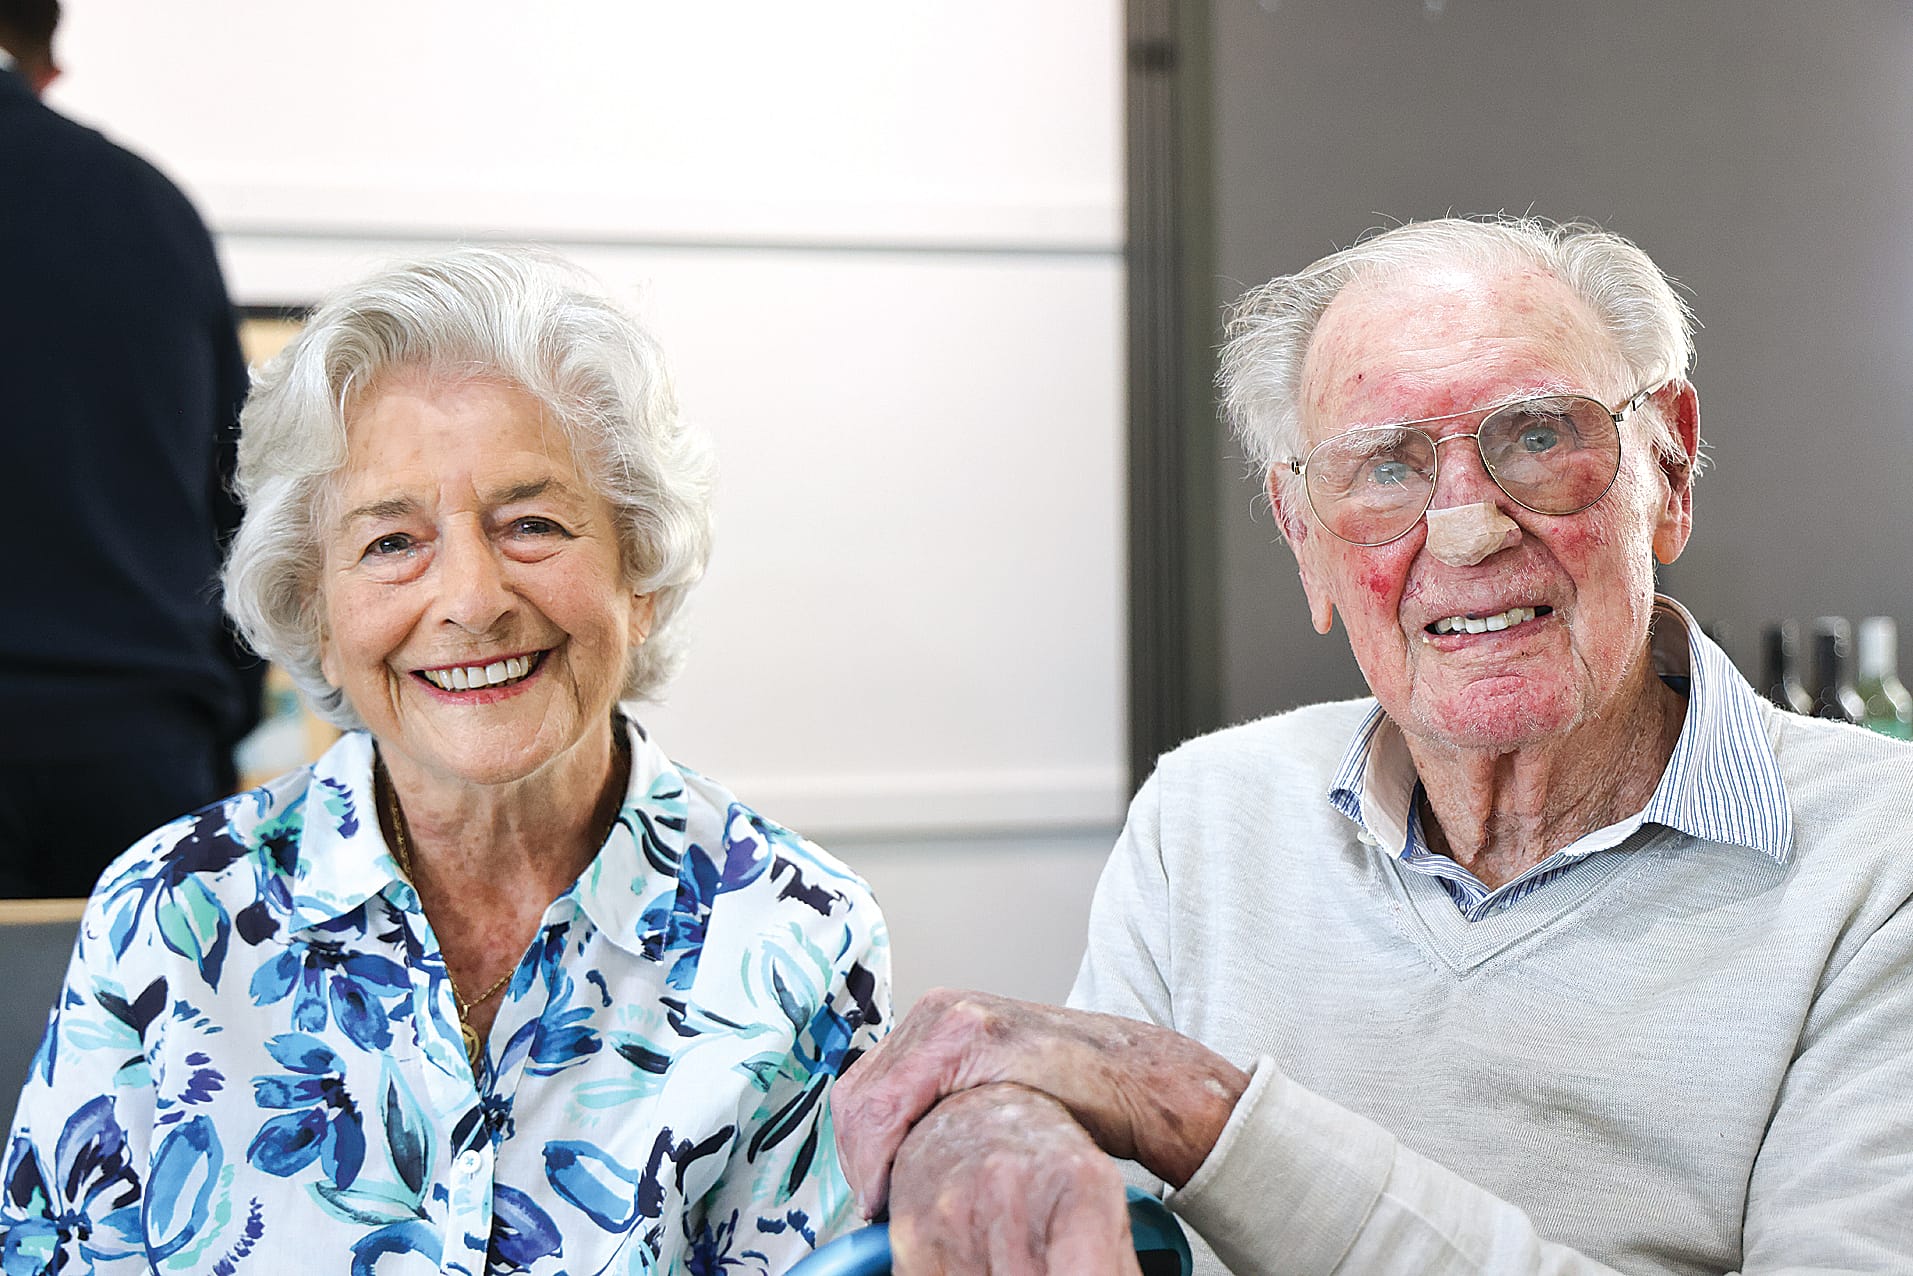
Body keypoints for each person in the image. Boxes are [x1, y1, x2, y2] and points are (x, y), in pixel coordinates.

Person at [830, 217, 1913, 1274]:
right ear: (1302, 537)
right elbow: (1097, 1201)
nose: (1466, 528)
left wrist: (1205, 1115)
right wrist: (983, 1120)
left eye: (1537, 436)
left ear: (1666, 469)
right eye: (1382, 467)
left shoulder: (1876, 862)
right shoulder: (1203, 816)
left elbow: (1153, 1101)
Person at [1, 248, 891, 1274]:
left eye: (532, 524)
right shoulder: (169, 912)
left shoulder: (799, 935)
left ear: (637, 572)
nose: (470, 598)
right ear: (313, 609)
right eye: (391, 542)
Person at [0, 0, 262, 895]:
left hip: (143, 728)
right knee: (156, 1034)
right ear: (46, 69)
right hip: (137, 749)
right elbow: (243, 490)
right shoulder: (148, 207)